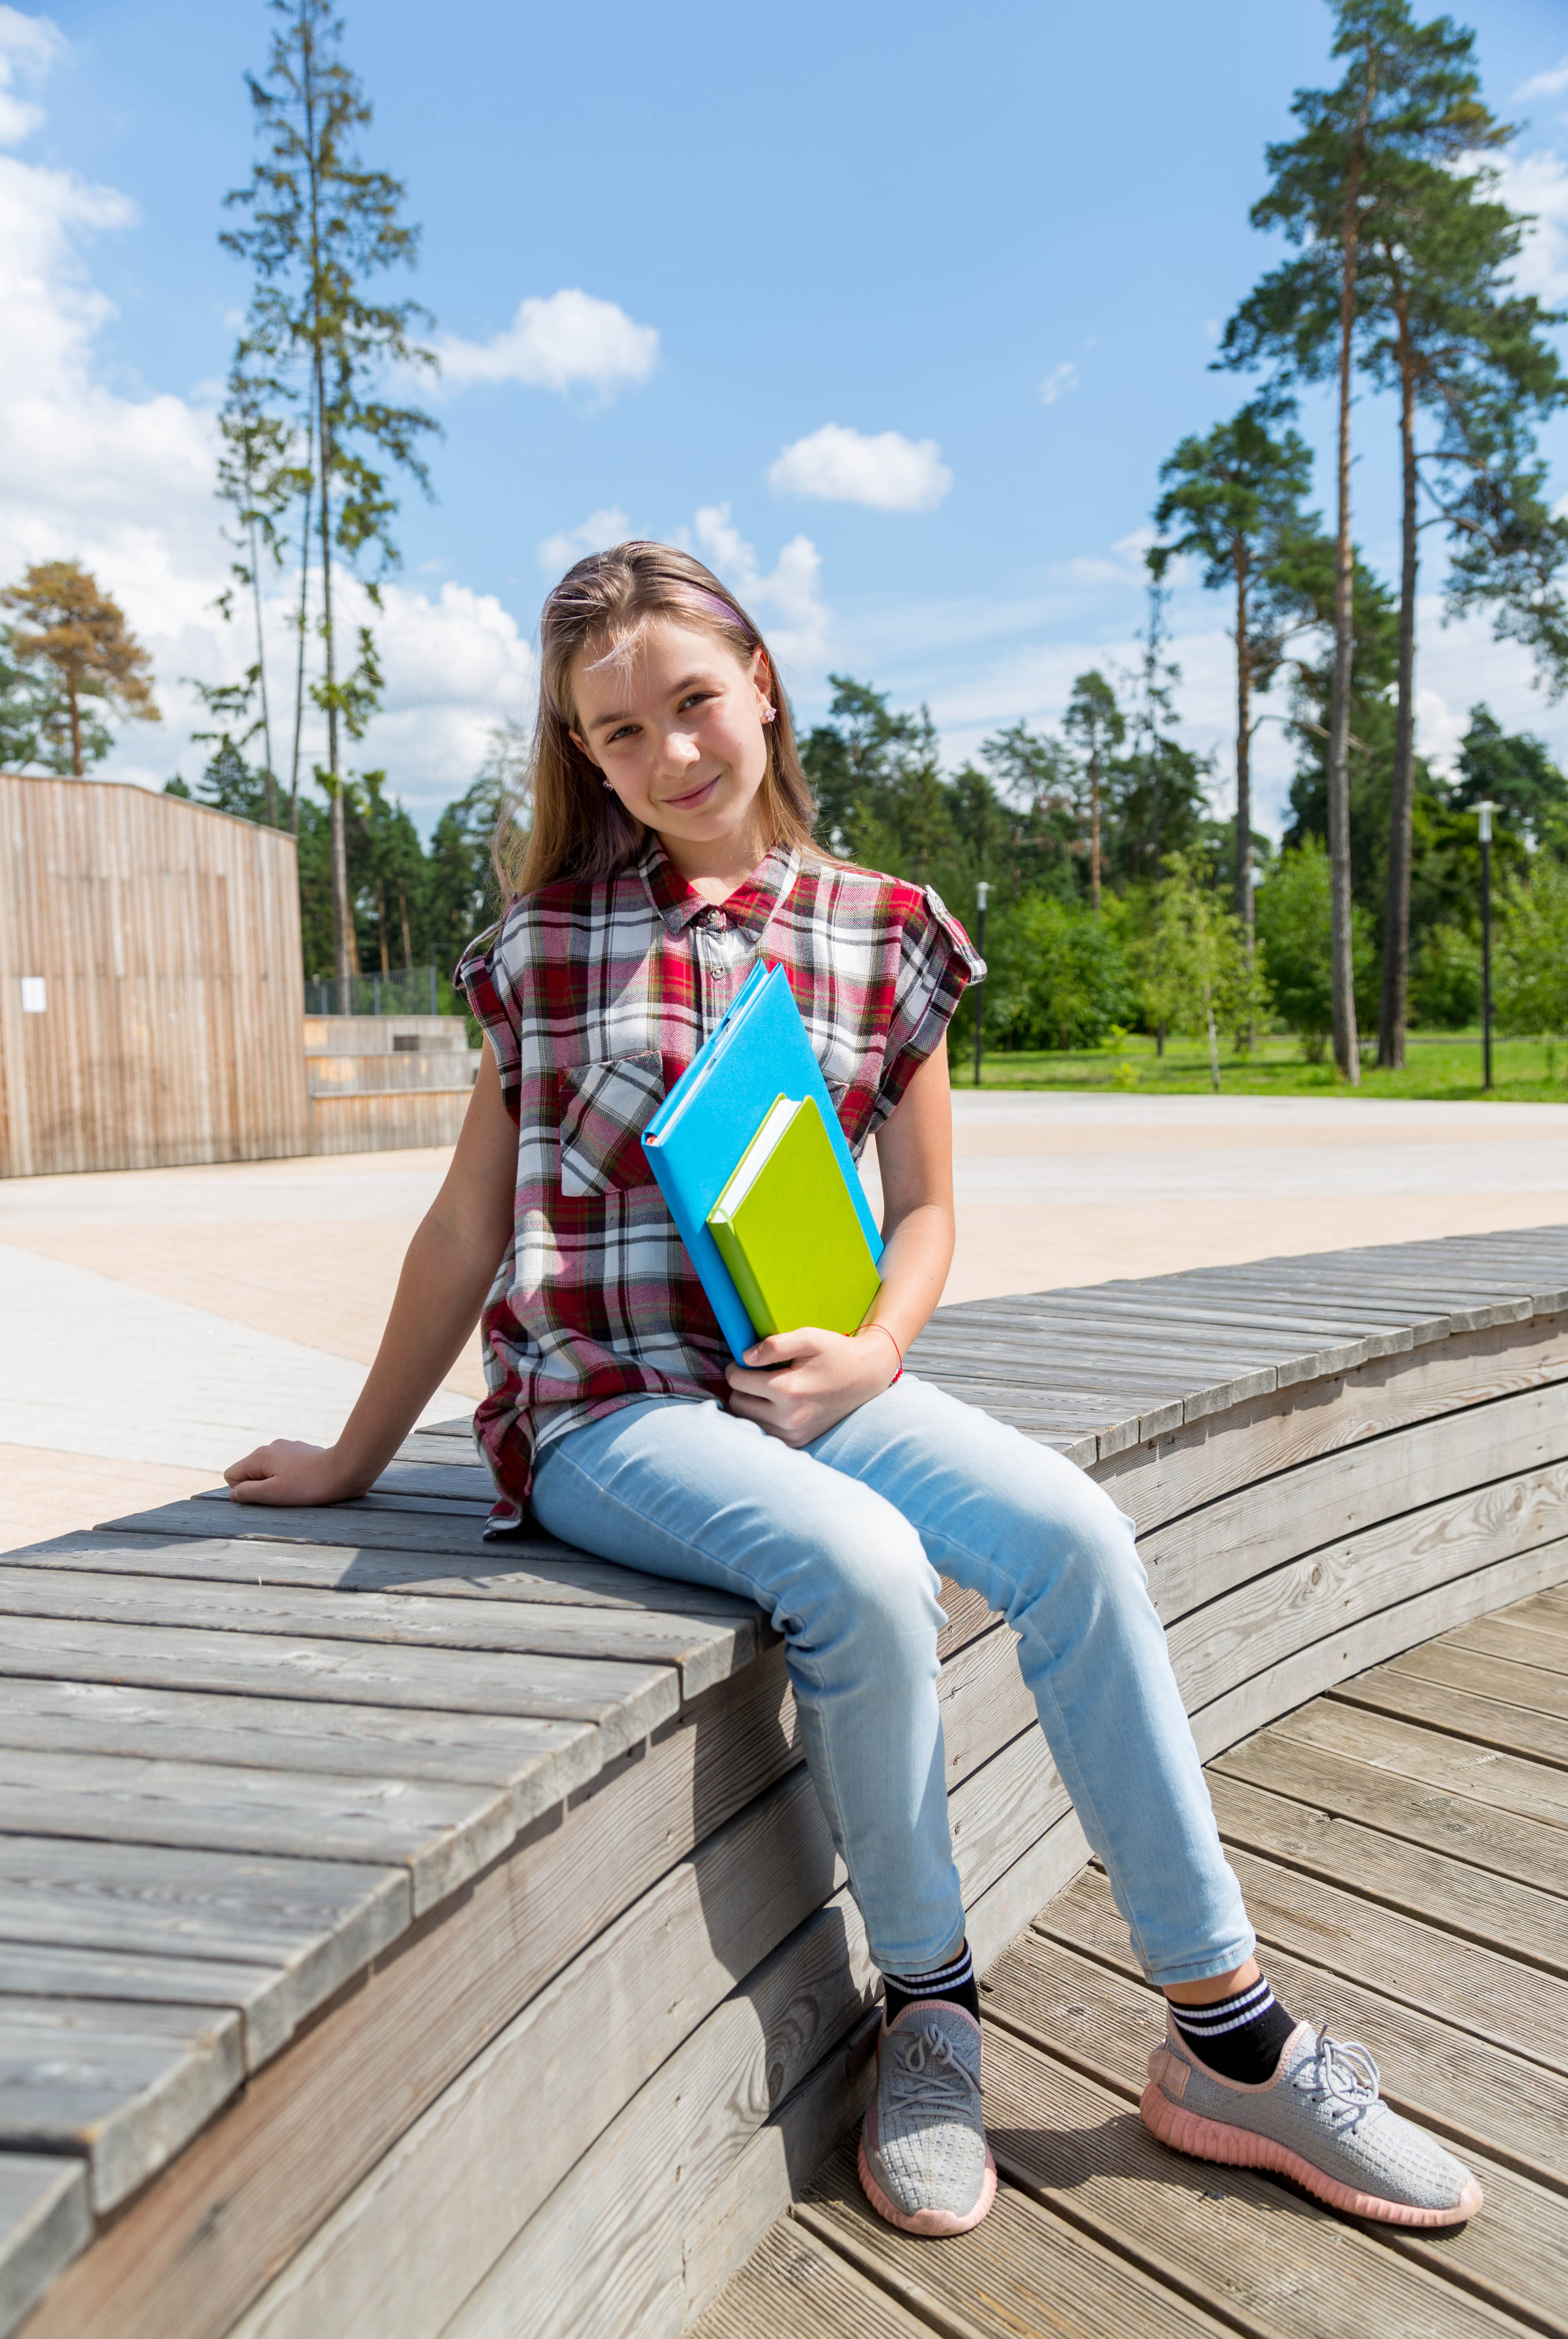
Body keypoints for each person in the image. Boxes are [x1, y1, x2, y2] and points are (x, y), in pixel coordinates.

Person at [225, 543, 1480, 2240]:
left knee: (1079, 1535)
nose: (669, 755)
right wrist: (352, 1457)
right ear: (581, 758)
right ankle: (931, 2007)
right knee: (869, 1574)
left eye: (692, 702)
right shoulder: (542, 943)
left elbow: (931, 1212)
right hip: (608, 1412)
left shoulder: (887, 931)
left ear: (760, 681)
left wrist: (877, 1352)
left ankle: (1228, 2036)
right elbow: (465, 1226)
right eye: (618, 733)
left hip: (820, 1373)